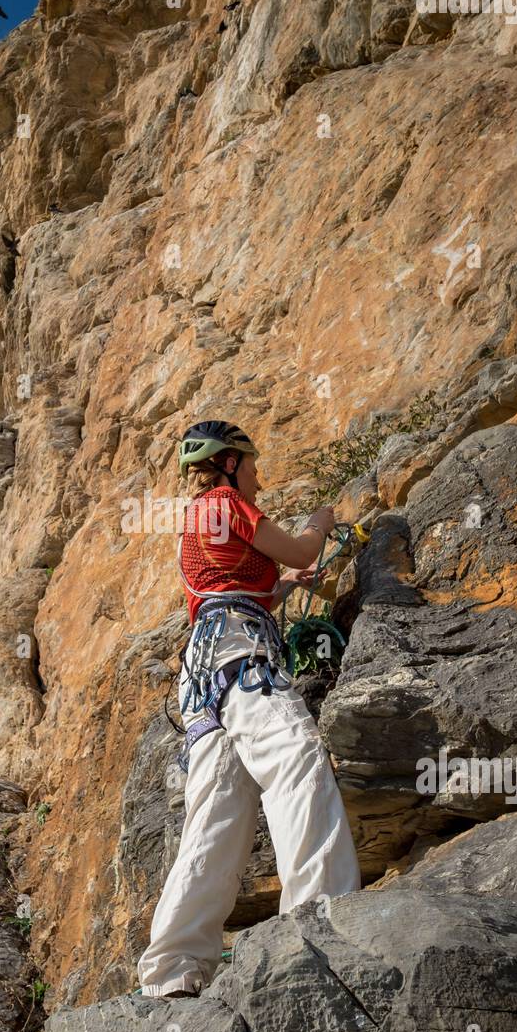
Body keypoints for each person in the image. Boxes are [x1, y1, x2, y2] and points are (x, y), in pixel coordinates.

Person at [137, 420, 361, 999]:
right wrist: (323, 519)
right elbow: (305, 545)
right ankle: (320, 923)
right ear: (231, 463)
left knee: (217, 813)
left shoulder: (199, 521)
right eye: (254, 466)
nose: (260, 479)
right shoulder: (225, 502)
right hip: (241, 656)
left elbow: (234, 584)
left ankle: (172, 970)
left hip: (206, 671)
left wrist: (282, 585)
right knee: (296, 757)